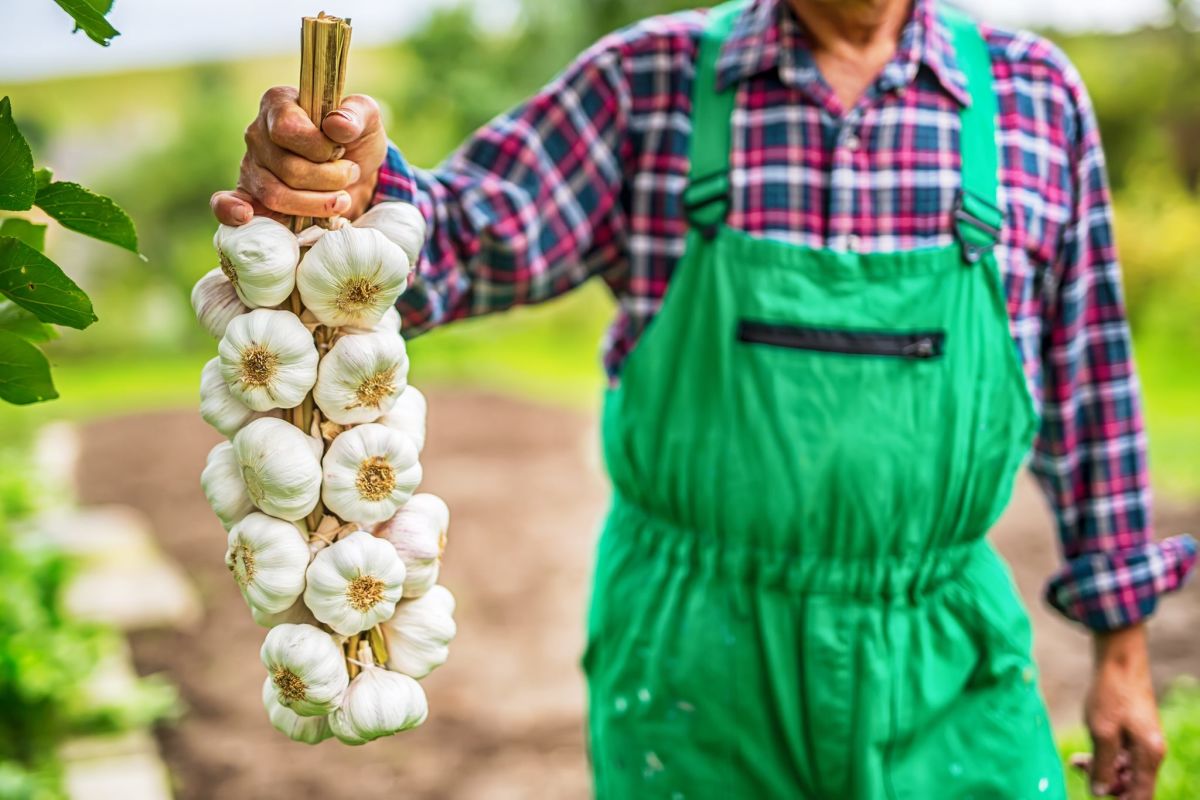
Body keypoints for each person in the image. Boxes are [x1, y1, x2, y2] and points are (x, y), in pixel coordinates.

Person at [211, 0, 1197, 797]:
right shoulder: (651, 82)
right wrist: (351, 193)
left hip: (944, 649)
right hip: (696, 653)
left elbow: (1091, 383)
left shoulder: (1032, 97)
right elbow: (457, 242)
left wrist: (1123, 652)